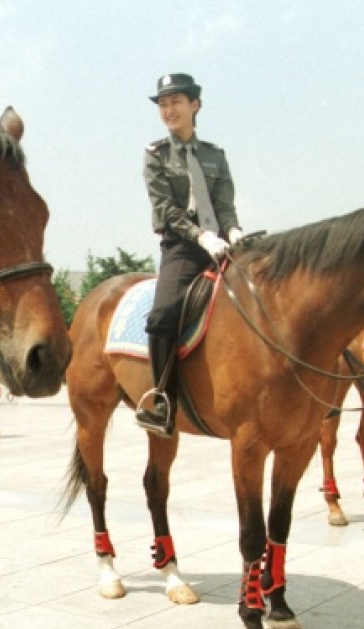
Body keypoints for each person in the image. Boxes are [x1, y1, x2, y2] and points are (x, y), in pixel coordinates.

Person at [135, 73, 244, 437]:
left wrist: (233, 230)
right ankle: (162, 400)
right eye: (163, 105)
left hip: (224, 242)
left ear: (195, 105)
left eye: (176, 102)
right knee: (163, 315)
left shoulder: (215, 156)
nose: (169, 110)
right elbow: (165, 209)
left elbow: (225, 204)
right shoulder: (156, 156)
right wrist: (201, 237)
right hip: (183, 246)